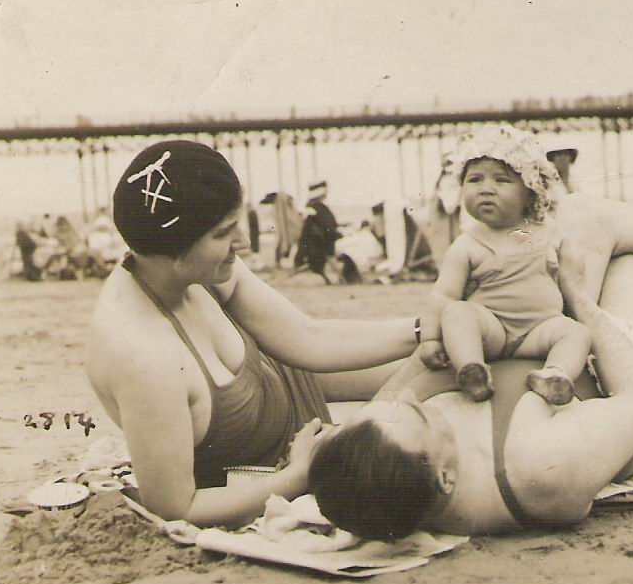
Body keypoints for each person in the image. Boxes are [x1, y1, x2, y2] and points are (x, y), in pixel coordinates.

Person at [85, 140, 420, 529]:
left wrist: (421, 329)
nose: (243, 242)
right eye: (225, 232)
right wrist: (297, 476)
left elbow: (310, 338)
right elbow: (176, 508)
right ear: (176, 253)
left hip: (303, 387)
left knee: (444, 355)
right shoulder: (141, 356)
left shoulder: (203, 268)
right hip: (284, 466)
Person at [310, 246, 633, 541]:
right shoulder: (538, 468)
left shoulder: (375, 471)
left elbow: (395, 396)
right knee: (620, 258)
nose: (409, 401)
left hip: (537, 344)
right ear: (445, 477)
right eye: (420, 415)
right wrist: (579, 299)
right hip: (624, 376)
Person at [417, 125, 633, 406]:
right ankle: (471, 368)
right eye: (474, 180)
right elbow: (443, 296)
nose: (485, 189)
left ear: (530, 192)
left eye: (501, 181)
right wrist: (431, 339)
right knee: (458, 313)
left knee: (575, 332)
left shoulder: (548, 233)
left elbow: (570, 276)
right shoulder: (468, 243)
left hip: (539, 329)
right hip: (492, 328)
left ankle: (555, 374)